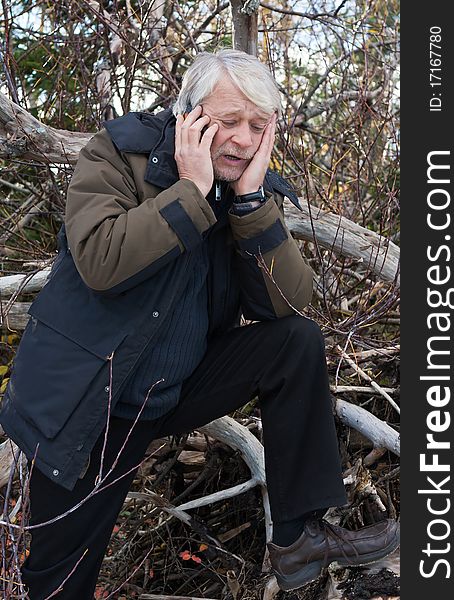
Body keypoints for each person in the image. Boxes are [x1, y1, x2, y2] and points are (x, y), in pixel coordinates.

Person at [0, 49, 399, 598]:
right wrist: (189, 192)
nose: (242, 139)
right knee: (61, 578)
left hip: (167, 394)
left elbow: (287, 303)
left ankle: (298, 538)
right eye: (229, 120)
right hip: (87, 402)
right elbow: (99, 260)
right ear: (188, 114)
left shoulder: (246, 191)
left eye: (258, 126)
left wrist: (252, 203)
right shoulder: (119, 155)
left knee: (294, 343)